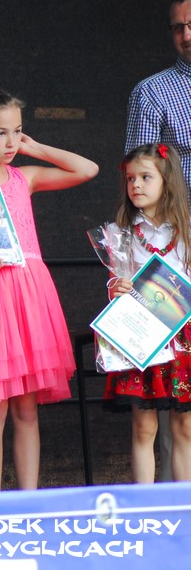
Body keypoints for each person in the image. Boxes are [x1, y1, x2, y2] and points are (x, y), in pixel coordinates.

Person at [0, 84, 98, 491]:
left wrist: (36, 148)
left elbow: (87, 169)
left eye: (17, 131)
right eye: (1, 133)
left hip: (29, 296)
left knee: (27, 410)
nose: (12, 142)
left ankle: (28, 498)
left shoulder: (22, 178)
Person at [123, 0, 191, 480]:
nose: (186, 35)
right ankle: (170, 502)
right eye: (178, 27)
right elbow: (138, 173)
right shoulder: (152, 91)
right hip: (169, 248)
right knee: (174, 396)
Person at [102, 143, 191, 483]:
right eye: (130, 178)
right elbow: (116, 282)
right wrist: (116, 288)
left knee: (185, 427)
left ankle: (183, 505)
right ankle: (145, 504)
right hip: (141, 335)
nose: (136, 184)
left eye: (145, 177)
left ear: (168, 182)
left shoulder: (187, 231)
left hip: (183, 339)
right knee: (143, 426)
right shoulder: (119, 234)